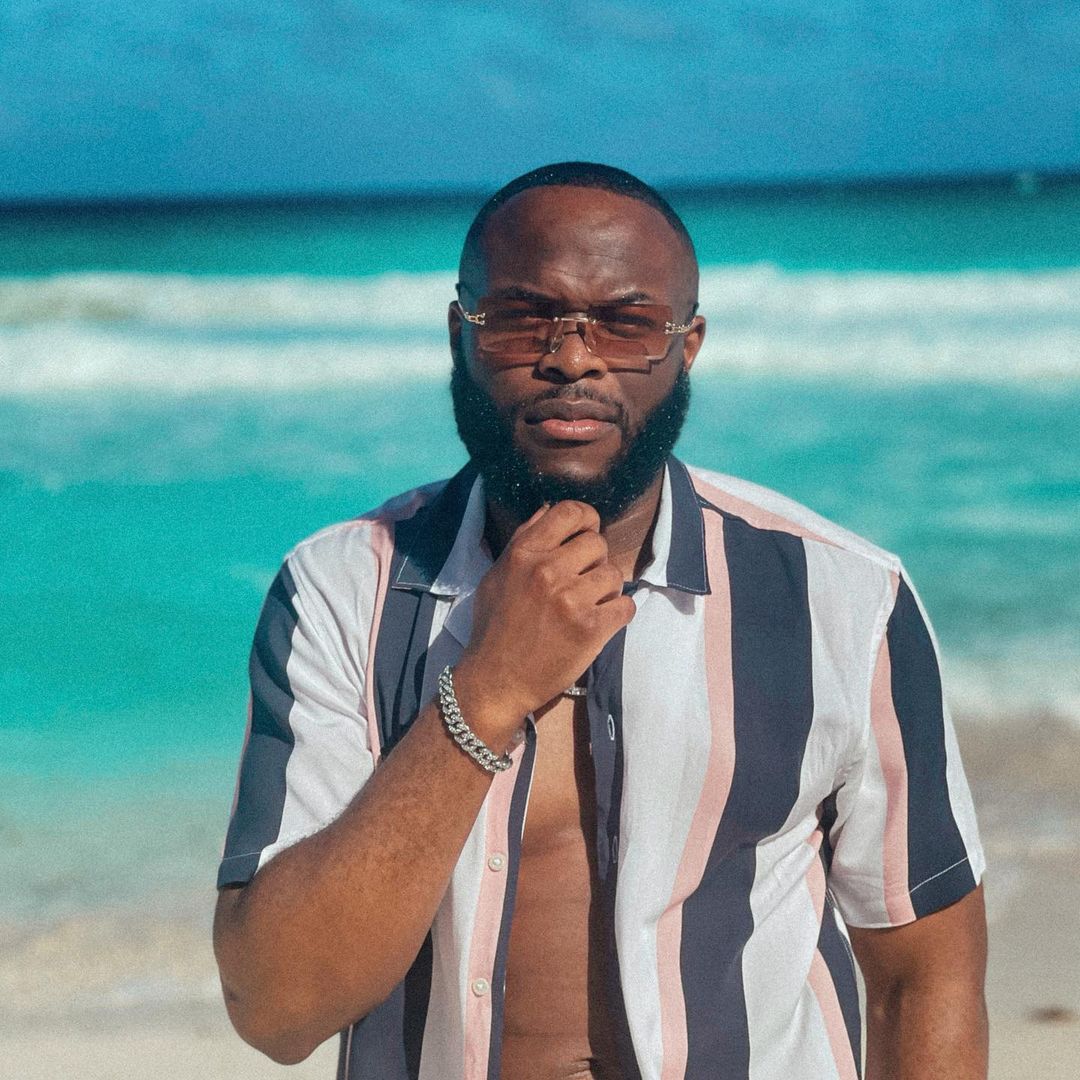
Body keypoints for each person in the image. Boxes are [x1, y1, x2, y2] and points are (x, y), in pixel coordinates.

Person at [212, 162, 988, 1080]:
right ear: (460, 334)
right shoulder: (343, 590)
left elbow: (923, 978)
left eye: (625, 324)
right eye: (522, 317)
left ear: (686, 346)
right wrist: (485, 693)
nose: (573, 360)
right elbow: (279, 1007)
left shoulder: (842, 596)